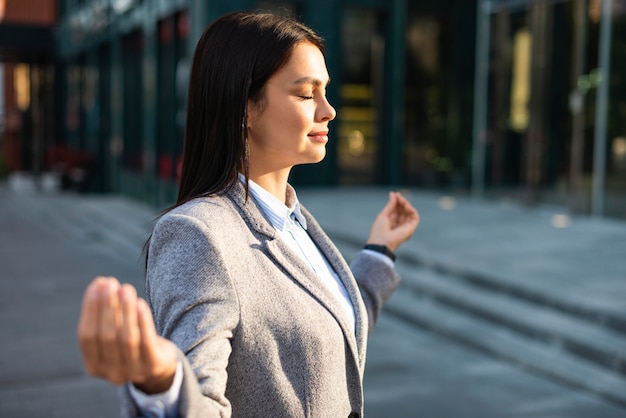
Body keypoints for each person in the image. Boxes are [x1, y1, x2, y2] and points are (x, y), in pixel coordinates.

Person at [77, 11, 419, 418]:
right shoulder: (198, 236)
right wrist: (163, 379)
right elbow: (202, 400)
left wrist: (380, 251)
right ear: (245, 107)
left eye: (325, 91)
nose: (329, 110)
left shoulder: (292, 219)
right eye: (306, 93)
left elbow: (326, 328)